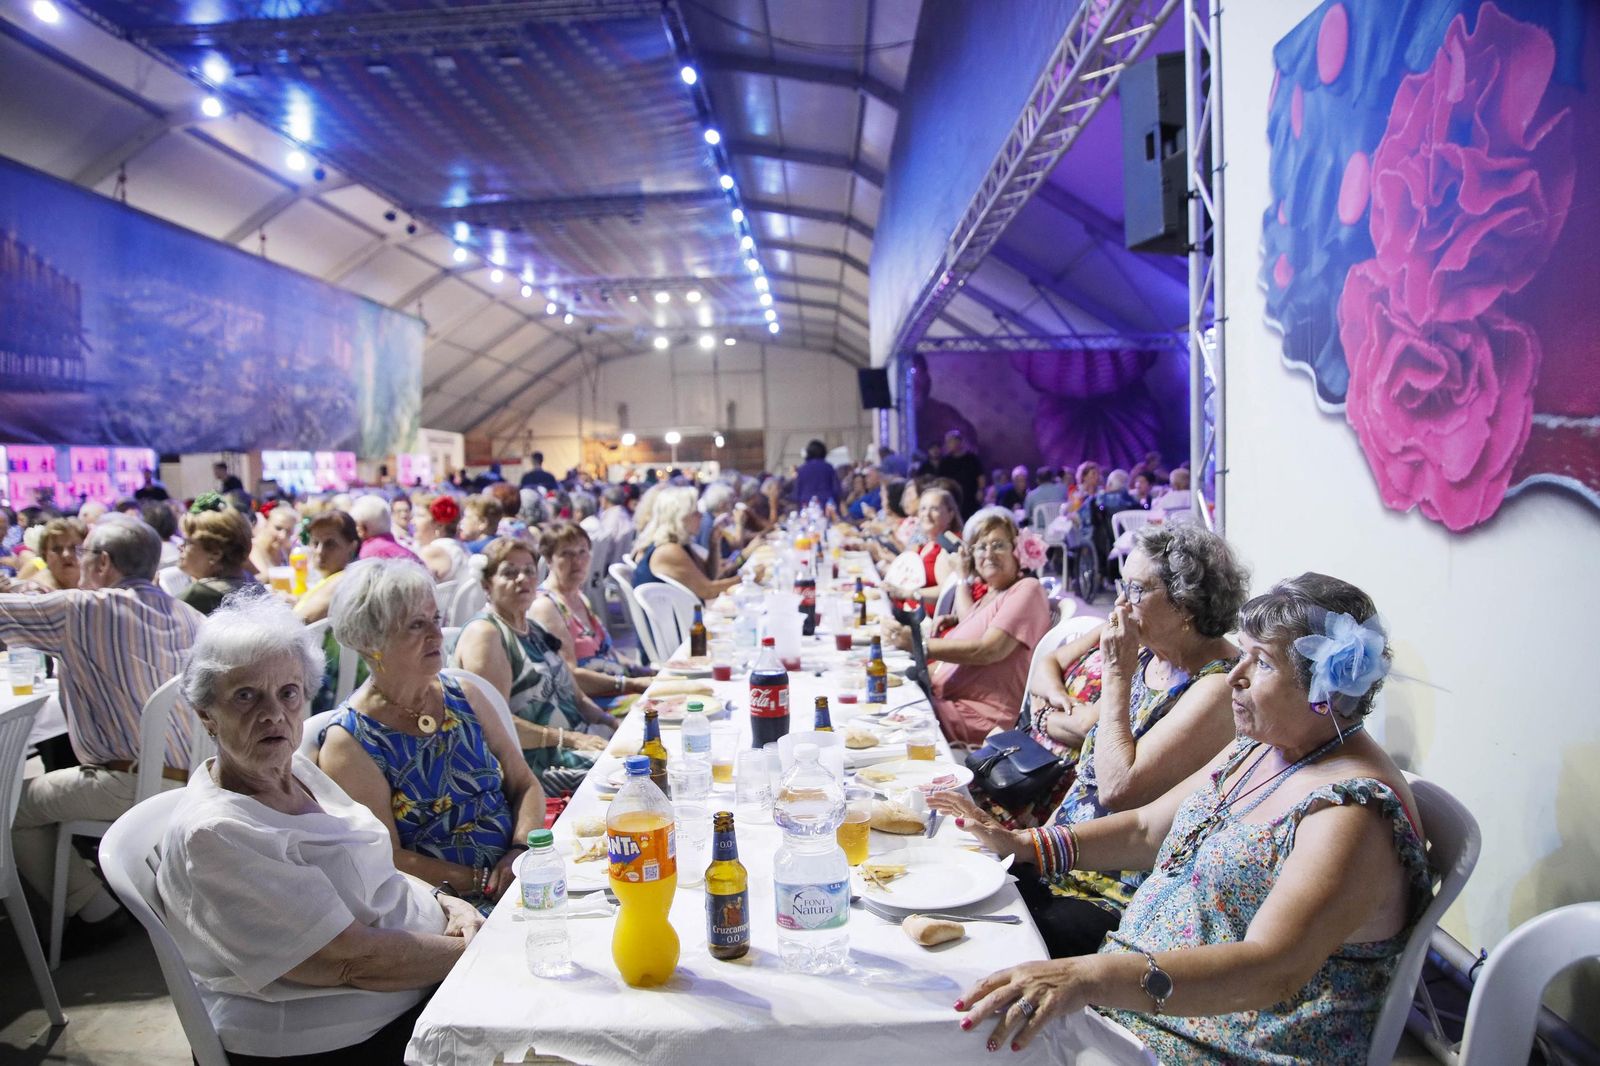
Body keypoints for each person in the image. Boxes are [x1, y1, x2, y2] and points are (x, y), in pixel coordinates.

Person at [934, 574, 1429, 1065]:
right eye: (1245, 652)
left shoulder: (1352, 813)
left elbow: (1269, 967)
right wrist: (1023, 844)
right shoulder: (1263, 746)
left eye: (1261, 663)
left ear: (1325, 687)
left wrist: (1085, 977)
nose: (1235, 673)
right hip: (1142, 1006)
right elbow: (1145, 828)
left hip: (1219, 1044)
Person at [158, 596, 484, 1062]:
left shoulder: (295, 770)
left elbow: (372, 866)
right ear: (207, 712)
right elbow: (352, 960)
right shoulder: (217, 832)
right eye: (245, 696)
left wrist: (445, 901)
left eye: (288, 693)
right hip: (346, 1034)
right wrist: (481, 955)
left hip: (411, 983)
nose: (273, 713)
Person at [978, 523, 1248, 955]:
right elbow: (1087, 768)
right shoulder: (1148, 653)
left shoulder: (1217, 686)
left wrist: (1116, 674)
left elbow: (1118, 789)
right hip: (1060, 856)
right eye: (1123, 585)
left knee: (989, 940)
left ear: (1186, 605)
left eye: (1138, 590)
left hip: (1113, 891)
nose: (1121, 602)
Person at [0, 514, 202, 943]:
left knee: (6, 805)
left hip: (129, 783)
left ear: (104, 563)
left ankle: (92, 908)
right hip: (198, 777)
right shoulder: (188, 614)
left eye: (83, 553)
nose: (78, 560)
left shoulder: (80, 609)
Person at [319, 558, 547, 912]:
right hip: (451, 904)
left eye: (436, 620)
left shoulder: (462, 695)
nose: (438, 635)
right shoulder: (350, 743)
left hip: (522, 868)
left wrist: (520, 853)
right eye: (416, 625)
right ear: (370, 640)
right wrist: (482, 881)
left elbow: (524, 783)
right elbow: (388, 857)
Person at [451, 539, 614, 794]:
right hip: (539, 764)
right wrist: (568, 738)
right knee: (634, 774)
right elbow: (495, 724)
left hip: (577, 743)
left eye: (528, 570)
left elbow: (577, 697)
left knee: (648, 748)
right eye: (509, 572)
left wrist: (612, 722)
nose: (522, 578)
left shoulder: (533, 629)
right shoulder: (487, 634)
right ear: (486, 584)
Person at [881, 510, 1050, 747]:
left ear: (1017, 551)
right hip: (946, 702)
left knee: (887, 725)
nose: (988, 554)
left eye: (998, 545)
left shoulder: (1027, 589)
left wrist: (918, 644)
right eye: (981, 548)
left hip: (981, 717)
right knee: (880, 698)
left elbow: (988, 650)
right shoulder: (993, 593)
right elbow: (974, 623)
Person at [529, 522, 654, 709]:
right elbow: (571, 675)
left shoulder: (579, 597)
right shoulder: (547, 606)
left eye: (582, 552)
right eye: (566, 554)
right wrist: (632, 684)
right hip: (590, 704)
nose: (577, 561)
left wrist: (652, 672)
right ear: (549, 559)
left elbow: (609, 655)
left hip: (615, 687)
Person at [632, 485, 744, 601]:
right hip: (673, 617)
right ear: (680, 518)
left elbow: (709, 575)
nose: (701, 516)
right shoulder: (668, 550)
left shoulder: (678, 543)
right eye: (695, 512)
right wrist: (747, 579)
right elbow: (707, 591)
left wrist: (714, 542)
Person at [880, 485, 961, 611]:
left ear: (950, 514)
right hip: (906, 611)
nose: (926, 514)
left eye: (934, 509)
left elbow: (947, 591)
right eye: (923, 508)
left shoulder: (948, 546)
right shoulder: (928, 543)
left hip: (923, 623)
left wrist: (908, 593)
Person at [176, 501, 260, 616]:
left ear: (215, 553)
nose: (179, 546)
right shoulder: (251, 582)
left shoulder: (196, 596)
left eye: (187, 542)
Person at [294, 510, 361, 624]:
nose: (320, 551)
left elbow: (297, 622)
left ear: (352, 546)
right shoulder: (333, 577)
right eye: (315, 543)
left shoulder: (342, 581)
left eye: (330, 544)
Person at [5, 516, 85, 592]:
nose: (66, 554)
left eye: (73, 547)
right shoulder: (37, 591)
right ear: (44, 555)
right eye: (57, 549)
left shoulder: (91, 583)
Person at [348, 495, 423, 564]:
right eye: (399, 511)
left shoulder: (370, 552)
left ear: (362, 527)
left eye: (356, 525)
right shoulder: (408, 554)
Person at [413, 494, 471, 583]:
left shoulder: (433, 552)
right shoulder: (459, 547)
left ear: (439, 524)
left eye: (420, 516)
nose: (412, 521)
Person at [936, 430, 985, 518]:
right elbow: (941, 481)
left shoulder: (972, 459)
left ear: (959, 442)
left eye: (951, 441)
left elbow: (980, 476)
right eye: (947, 442)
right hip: (952, 498)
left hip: (971, 497)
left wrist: (980, 490)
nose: (948, 444)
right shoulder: (945, 462)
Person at [246, 502, 299, 576]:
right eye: (278, 528)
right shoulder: (251, 548)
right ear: (267, 524)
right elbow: (261, 578)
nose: (282, 536)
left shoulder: (286, 550)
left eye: (288, 531)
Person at [792, 439, 841, 509]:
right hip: (827, 506)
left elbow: (797, 492)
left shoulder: (802, 469)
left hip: (806, 505)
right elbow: (837, 489)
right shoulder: (829, 468)